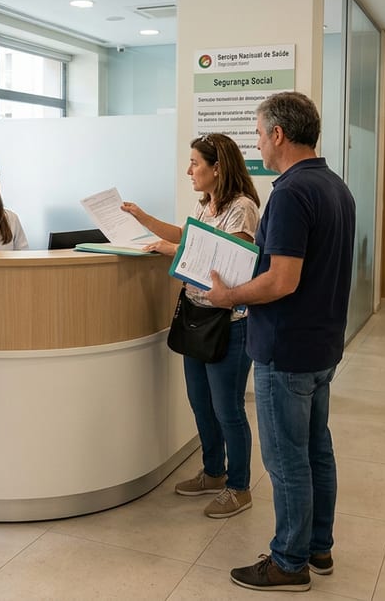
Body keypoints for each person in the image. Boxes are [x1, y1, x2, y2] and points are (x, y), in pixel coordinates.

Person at [205, 92, 356, 592]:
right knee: (316, 450)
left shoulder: (291, 192)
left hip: (286, 349)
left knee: (287, 459)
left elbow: (281, 281)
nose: (257, 143)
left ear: (278, 135)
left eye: (258, 132)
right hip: (321, 345)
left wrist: (229, 296)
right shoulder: (335, 185)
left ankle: (289, 563)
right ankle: (319, 547)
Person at [121, 133, 261, 520]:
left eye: (196, 163)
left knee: (227, 408)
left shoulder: (242, 207)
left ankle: (239, 487)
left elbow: (229, 262)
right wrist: (143, 219)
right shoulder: (208, 205)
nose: (189, 171)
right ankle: (214, 473)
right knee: (201, 404)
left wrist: (173, 252)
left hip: (229, 323)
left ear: (218, 168)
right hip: (197, 318)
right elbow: (190, 238)